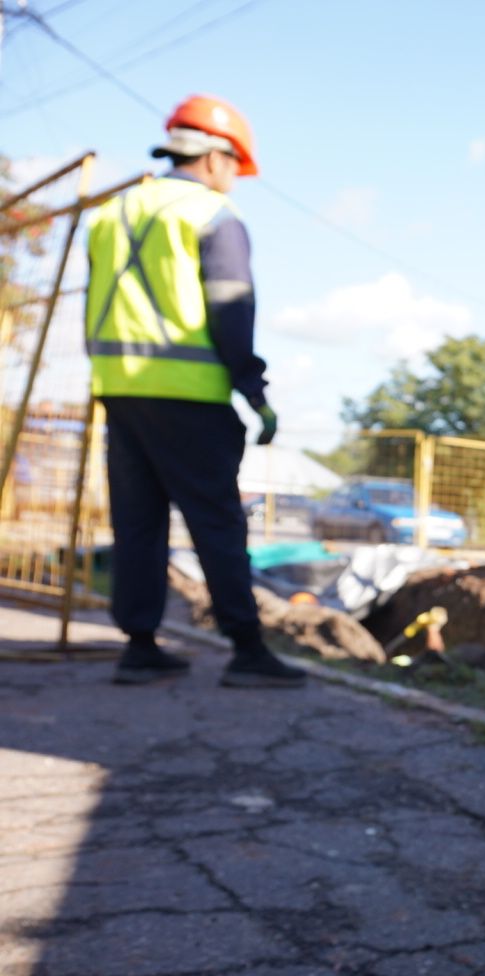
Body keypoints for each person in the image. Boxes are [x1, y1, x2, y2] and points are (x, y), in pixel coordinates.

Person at [85, 94, 304, 688]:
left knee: (137, 525)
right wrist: (255, 395)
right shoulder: (212, 216)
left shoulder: (109, 214)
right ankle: (248, 651)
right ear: (213, 157)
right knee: (217, 523)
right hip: (191, 396)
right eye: (235, 167)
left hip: (120, 394)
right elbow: (233, 313)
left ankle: (139, 645)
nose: (234, 181)